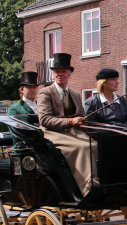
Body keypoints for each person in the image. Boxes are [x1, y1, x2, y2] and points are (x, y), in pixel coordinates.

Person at [36, 53, 96, 197]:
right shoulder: (45, 93)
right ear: (53, 74)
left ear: (69, 74)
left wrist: (84, 123)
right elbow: (45, 119)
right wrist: (70, 122)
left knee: (95, 144)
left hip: (73, 132)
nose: (60, 74)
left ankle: (99, 183)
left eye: (63, 71)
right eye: (57, 71)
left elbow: (81, 116)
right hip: (52, 132)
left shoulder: (75, 94)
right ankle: (88, 189)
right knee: (83, 147)